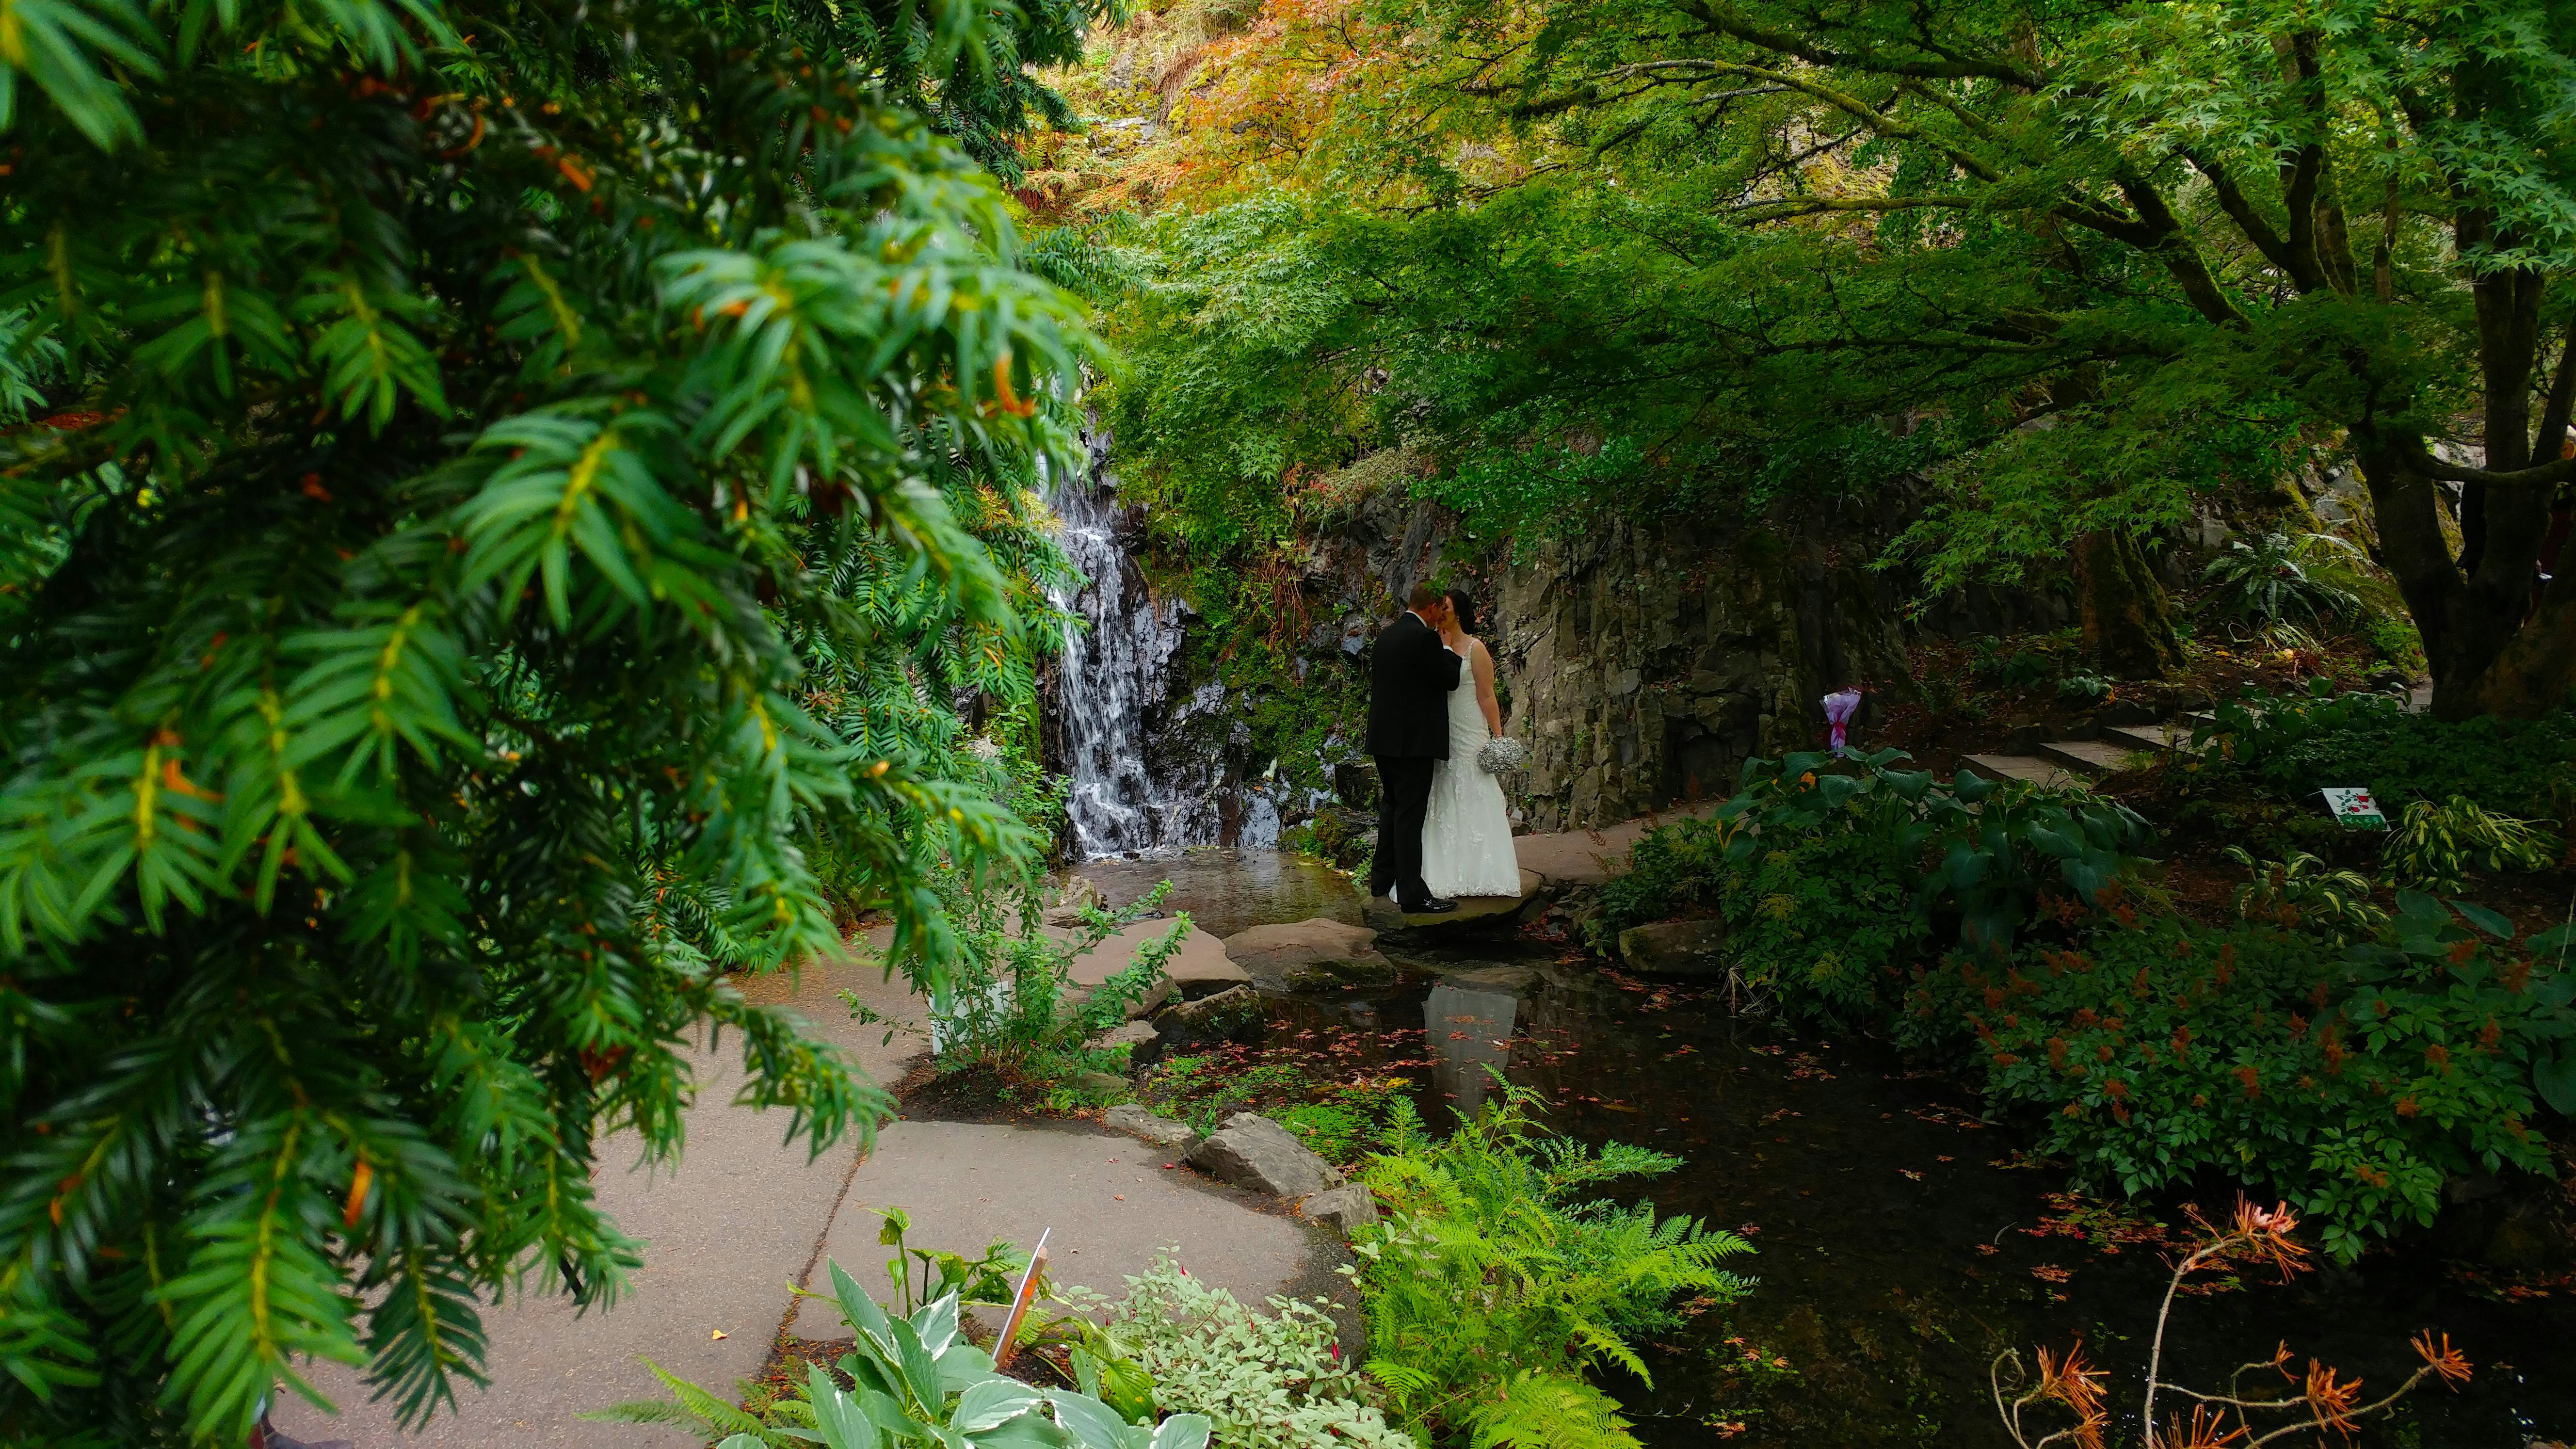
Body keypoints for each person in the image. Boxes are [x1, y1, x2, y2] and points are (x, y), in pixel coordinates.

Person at [1365, 583, 1463, 912]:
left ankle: (1381, 878)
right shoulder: (1425, 639)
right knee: (1410, 815)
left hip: (1383, 740)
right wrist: (1449, 650)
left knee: (1391, 805)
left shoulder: (1386, 636)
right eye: (1440, 609)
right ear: (1432, 608)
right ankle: (1412, 894)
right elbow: (1448, 679)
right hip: (1412, 743)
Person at [1422, 587, 1521, 898]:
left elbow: (1486, 693)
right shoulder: (1431, 644)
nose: (1442, 612)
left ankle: (1484, 869)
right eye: (1440, 607)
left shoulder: (1476, 648)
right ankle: (1441, 870)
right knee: (1442, 791)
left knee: (1475, 786)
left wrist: (1498, 735)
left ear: (1459, 612)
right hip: (1442, 730)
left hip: (1469, 729)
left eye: (1447, 607)